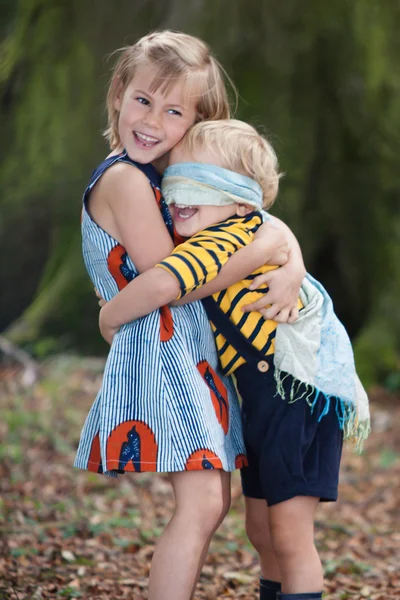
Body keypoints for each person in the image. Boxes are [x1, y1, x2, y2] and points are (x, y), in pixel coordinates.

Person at [74, 31, 306, 600]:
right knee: (202, 502)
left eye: (174, 110)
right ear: (118, 93)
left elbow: (256, 217)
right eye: (143, 100)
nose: (152, 120)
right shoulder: (126, 178)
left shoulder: (173, 181)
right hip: (161, 351)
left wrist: (289, 258)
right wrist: (261, 252)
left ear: (197, 122)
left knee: (211, 502)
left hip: (189, 353)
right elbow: (178, 279)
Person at [98, 119, 371, 600]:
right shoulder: (218, 226)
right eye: (174, 179)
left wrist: (110, 315)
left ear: (241, 201)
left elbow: (168, 282)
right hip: (264, 401)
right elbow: (272, 228)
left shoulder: (225, 238)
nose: (177, 194)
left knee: (288, 533)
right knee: (262, 530)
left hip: (298, 396)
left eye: (198, 183)